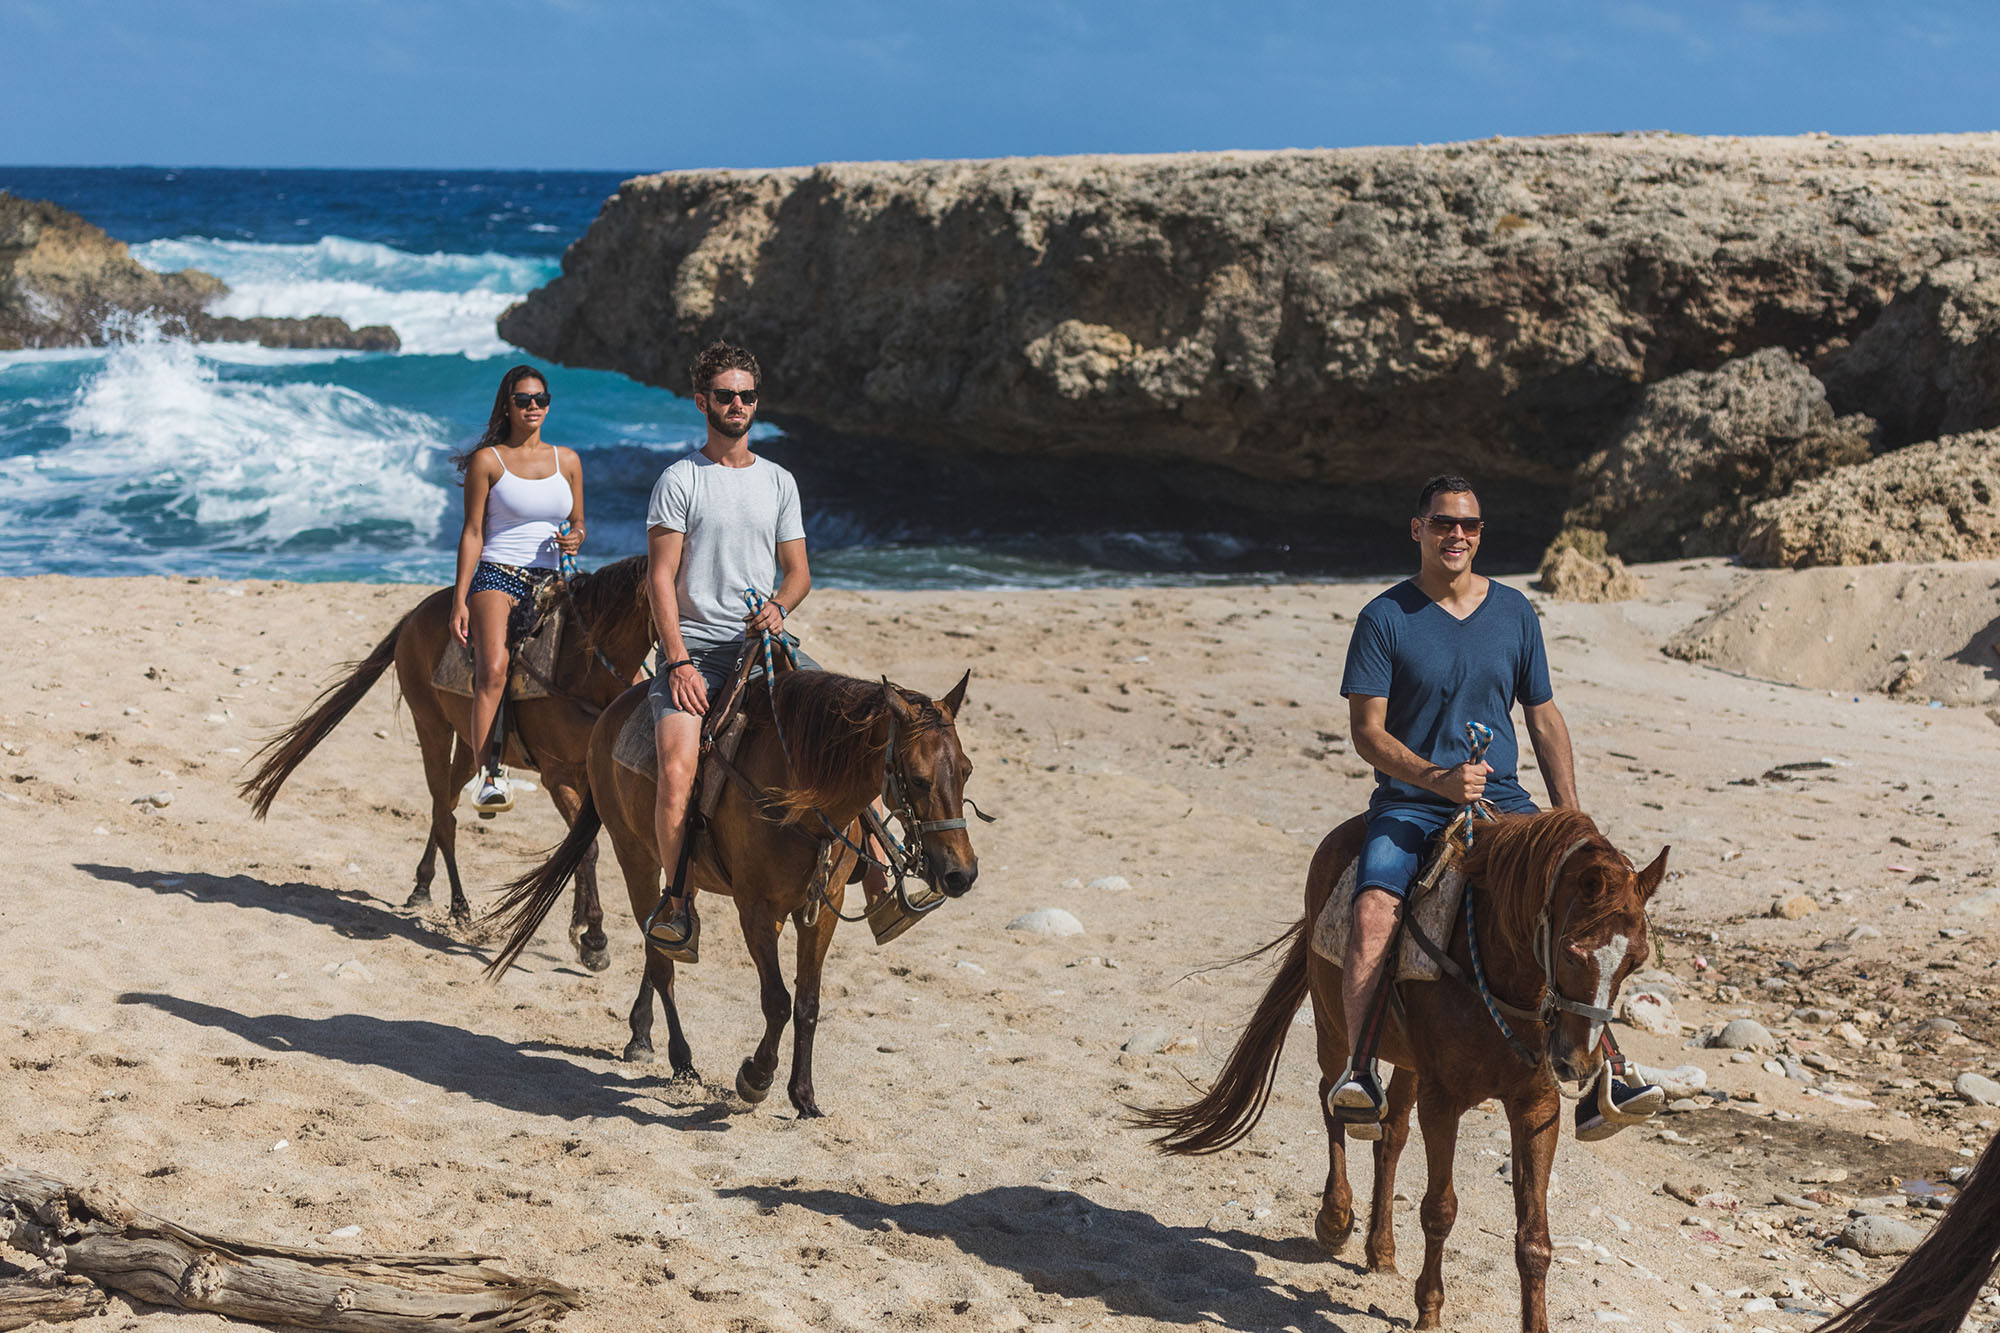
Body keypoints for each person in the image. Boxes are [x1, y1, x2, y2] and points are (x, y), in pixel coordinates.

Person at [1327, 474, 1662, 1142]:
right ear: (1417, 527)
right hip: (1412, 804)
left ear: (1481, 533)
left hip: (1505, 804)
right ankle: (1361, 1071)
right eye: (1444, 523)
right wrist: (1437, 778)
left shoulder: (1513, 613)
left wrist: (1576, 823)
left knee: (1588, 912)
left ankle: (1604, 1076)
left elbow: (1543, 715)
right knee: (1371, 911)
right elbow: (1367, 731)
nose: (1458, 535)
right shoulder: (1383, 618)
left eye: (1470, 525)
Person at [639, 341, 820, 961]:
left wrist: (780, 606)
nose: (737, 404)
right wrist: (678, 660)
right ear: (702, 403)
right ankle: (678, 904)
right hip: (700, 651)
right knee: (675, 772)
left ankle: (880, 880)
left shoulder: (779, 481)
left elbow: (797, 572)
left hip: (765, 645)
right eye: (725, 395)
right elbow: (660, 578)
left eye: (746, 395)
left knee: (852, 727)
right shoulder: (680, 480)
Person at [449, 365, 585, 812]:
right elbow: (472, 533)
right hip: (498, 574)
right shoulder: (488, 460)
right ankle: (490, 774)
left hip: (553, 578)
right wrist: (460, 600)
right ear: (507, 405)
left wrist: (576, 536)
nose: (533, 407)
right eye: (524, 400)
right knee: (492, 669)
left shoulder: (567, 460)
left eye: (540, 399)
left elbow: (578, 522)